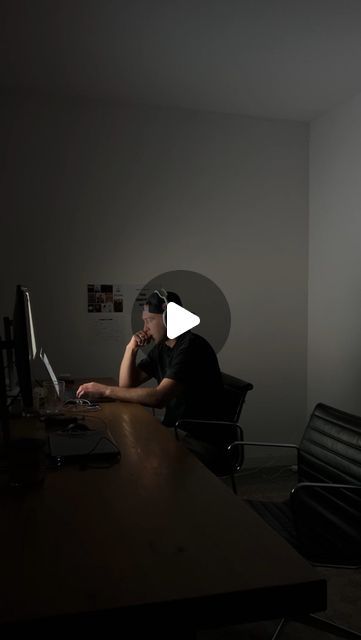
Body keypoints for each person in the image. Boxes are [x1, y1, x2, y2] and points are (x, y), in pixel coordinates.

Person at [77, 289, 226, 470]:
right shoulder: (163, 347)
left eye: (150, 320)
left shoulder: (191, 348)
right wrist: (130, 348)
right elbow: (126, 385)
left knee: (137, 456)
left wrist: (105, 390)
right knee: (127, 442)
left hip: (201, 439)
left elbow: (159, 398)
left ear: (169, 319)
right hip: (179, 430)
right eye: (144, 321)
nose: (145, 328)